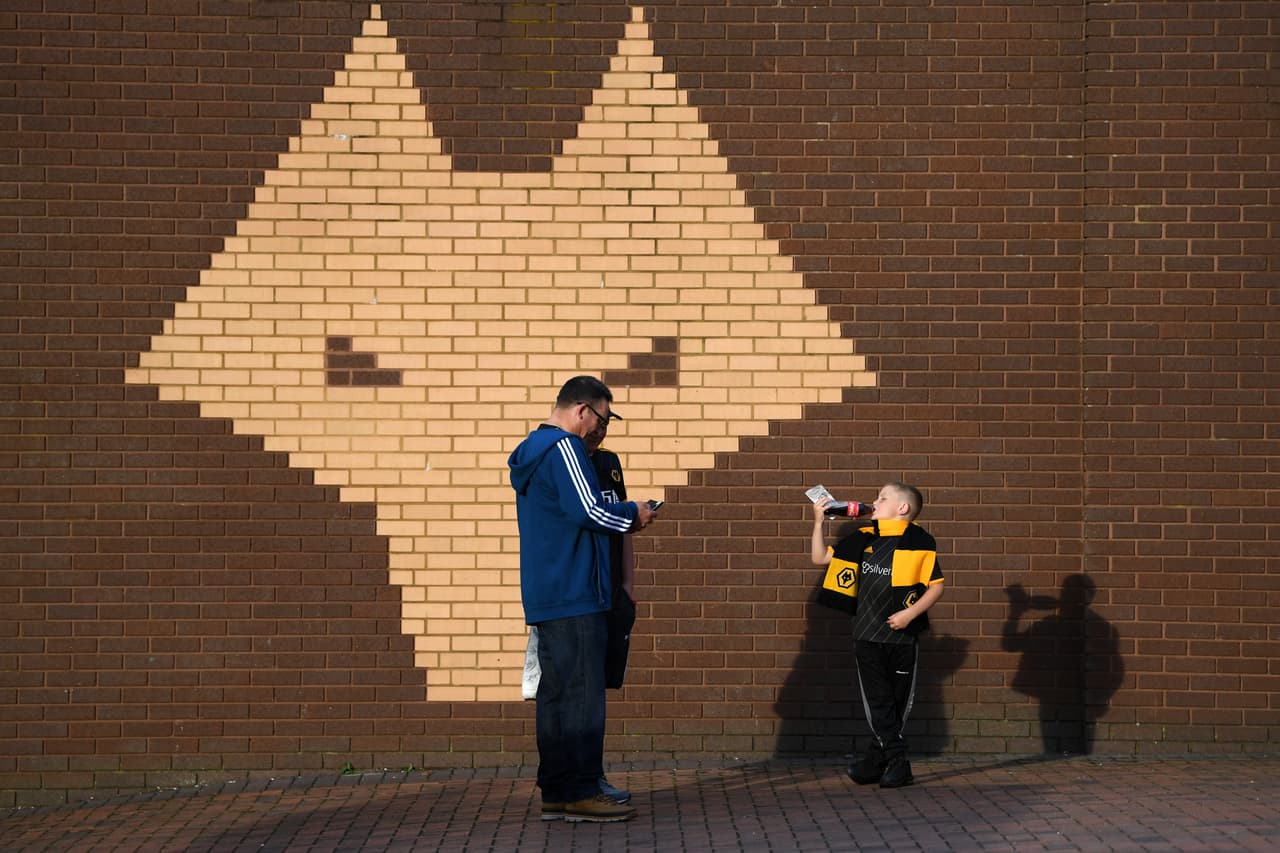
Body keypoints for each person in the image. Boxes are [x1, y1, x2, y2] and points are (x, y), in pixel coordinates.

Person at [508, 376, 654, 823]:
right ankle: (584, 790)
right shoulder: (564, 449)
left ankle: (556, 789)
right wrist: (637, 514)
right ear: (581, 411)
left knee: (555, 695)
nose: (600, 429)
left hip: (548, 593)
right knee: (584, 697)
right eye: (602, 418)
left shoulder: (532, 452)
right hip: (577, 591)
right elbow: (592, 510)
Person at [810, 482, 945, 789]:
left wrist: (910, 613)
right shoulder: (862, 539)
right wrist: (818, 522)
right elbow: (820, 559)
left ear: (903, 508)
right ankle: (899, 760)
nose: (874, 501)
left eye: (882, 498)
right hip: (867, 634)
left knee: (895, 702)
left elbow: (936, 586)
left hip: (902, 638)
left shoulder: (920, 542)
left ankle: (875, 759)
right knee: (878, 699)